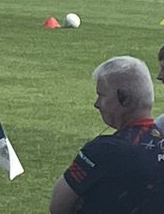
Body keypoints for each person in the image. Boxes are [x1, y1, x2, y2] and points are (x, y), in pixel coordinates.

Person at [49, 56, 164, 213]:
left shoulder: (105, 149)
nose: (96, 104)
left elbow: (58, 205)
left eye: (101, 95)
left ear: (124, 98)